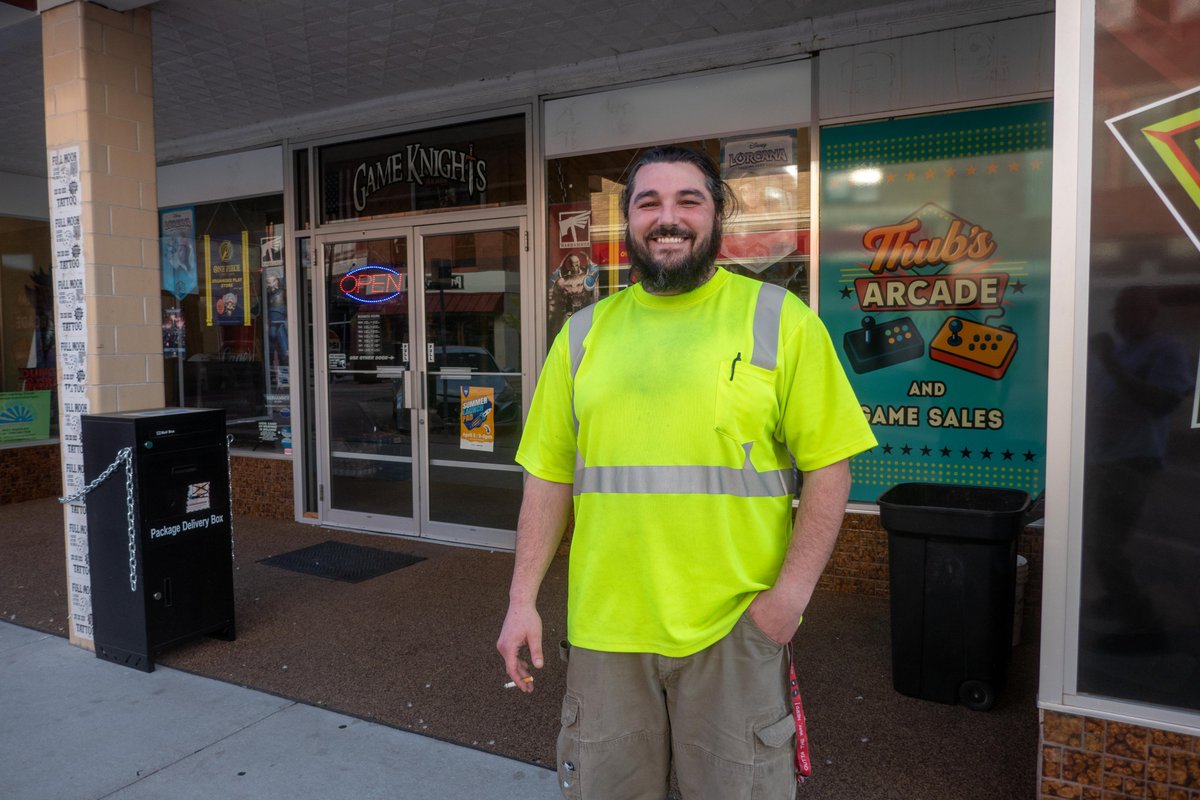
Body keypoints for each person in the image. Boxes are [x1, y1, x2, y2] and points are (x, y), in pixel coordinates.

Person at [496, 146, 877, 799]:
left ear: (717, 216)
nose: (666, 218)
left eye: (687, 201)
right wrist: (520, 600)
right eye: (649, 203)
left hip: (733, 632)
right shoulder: (583, 335)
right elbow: (548, 477)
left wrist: (787, 603)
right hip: (605, 633)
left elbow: (831, 470)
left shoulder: (779, 321)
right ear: (629, 224)